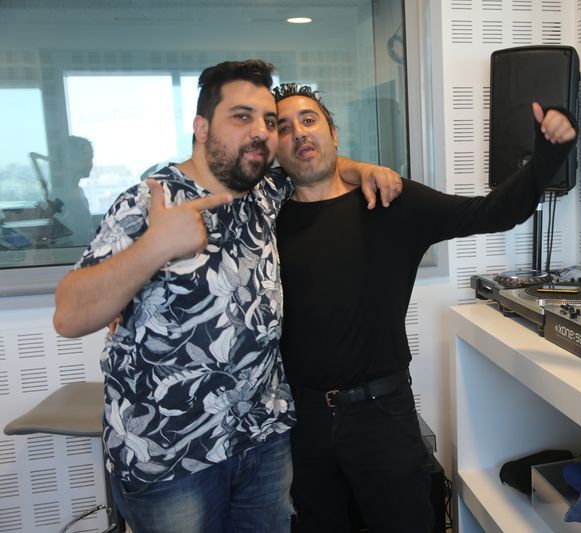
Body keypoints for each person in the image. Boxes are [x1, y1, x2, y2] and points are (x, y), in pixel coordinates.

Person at [52, 60, 401, 533]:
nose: (261, 131)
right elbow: (69, 316)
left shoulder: (266, 192)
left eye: (269, 121)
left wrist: (365, 168)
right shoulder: (149, 201)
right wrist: (154, 248)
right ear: (201, 128)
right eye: (241, 117)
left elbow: (316, 162)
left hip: (263, 440)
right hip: (171, 457)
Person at [273, 83, 577, 532]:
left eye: (308, 119)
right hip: (304, 420)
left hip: (380, 414)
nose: (299, 132)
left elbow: (493, 212)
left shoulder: (389, 203)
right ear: (274, 148)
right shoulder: (266, 222)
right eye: (283, 128)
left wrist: (547, 154)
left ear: (333, 133)